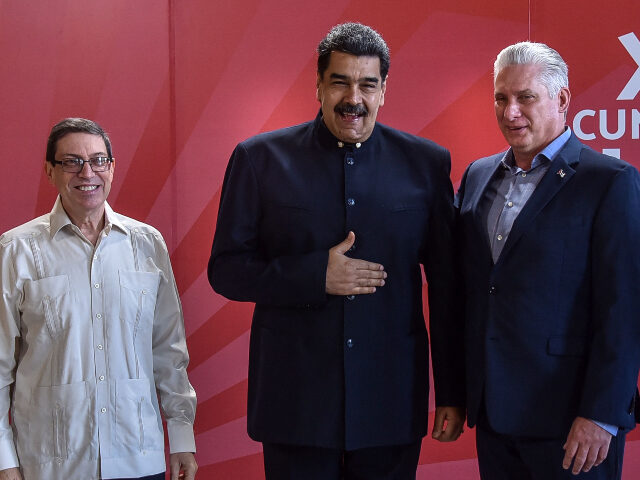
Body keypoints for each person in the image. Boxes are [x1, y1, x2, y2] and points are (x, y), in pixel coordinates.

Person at [208, 22, 465, 479]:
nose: (354, 98)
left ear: (384, 90)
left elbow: (447, 287)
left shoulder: (426, 163)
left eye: (367, 84)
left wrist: (451, 391)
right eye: (340, 81)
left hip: (390, 402)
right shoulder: (259, 159)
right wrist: (314, 276)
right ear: (319, 86)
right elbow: (226, 270)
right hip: (295, 404)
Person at [455, 41, 640, 479]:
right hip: (495, 419)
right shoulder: (478, 175)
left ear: (561, 99)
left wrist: (601, 414)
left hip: (572, 425)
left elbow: (625, 308)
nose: (510, 112)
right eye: (501, 98)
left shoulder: (610, 182)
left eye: (525, 97)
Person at [0, 118, 198, 480]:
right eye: (71, 161)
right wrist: (3, 459)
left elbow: (168, 349)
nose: (86, 172)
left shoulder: (147, 243)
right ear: (50, 171)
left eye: (98, 160)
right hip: (52, 463)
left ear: (112, 168)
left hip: (139, 455)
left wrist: (182, 435)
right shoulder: (16, 251)